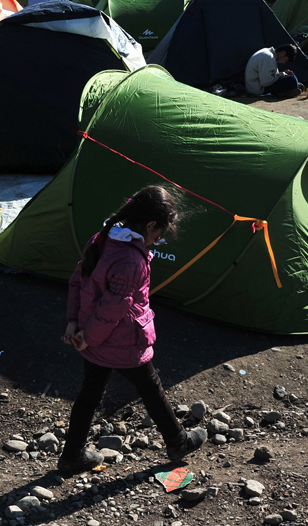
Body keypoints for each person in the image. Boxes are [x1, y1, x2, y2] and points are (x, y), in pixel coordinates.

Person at [58, 186, 207, 475]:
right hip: (121, 341)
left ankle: (71, 456)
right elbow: (114, 308)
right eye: (160, 233)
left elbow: (78, 280)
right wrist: (88, 338)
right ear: (150, 224)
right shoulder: (131, 261)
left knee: (89, 393)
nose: (159, 239)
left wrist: (74, 323)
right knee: (151, 387)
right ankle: (178, 442)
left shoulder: (101, 238)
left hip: (91, 336)